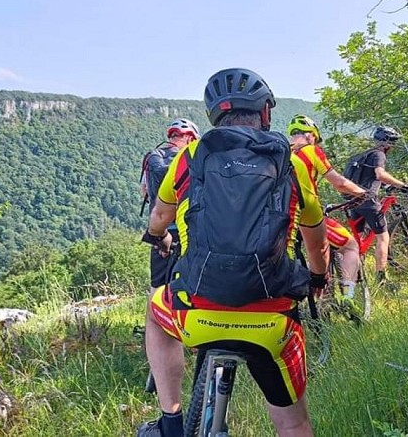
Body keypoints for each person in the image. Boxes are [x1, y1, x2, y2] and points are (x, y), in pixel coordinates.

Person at [138, 68, 329, 437]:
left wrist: (156, 237)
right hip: (272, 320)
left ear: (214, 117)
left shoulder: (190, 156)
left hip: (196, 312)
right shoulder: (292, 165)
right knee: (293, 422)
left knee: (155, 309)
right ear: (266, 114)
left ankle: (171, 421)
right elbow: (316, 240)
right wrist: (319, 277)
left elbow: (160, 216)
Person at [287, 114, 366, 305]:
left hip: (283, 220)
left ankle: (317, 305)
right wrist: (363, 193)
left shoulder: (282, 152)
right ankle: (347, 297)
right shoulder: (311, 150)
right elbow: (339, 183)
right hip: (306, 217)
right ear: (311, 135)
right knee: (351, 246)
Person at [344, 126, 408, 287]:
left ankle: (353, 276)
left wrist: (383, 186)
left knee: (357, 239)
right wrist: (401, 185)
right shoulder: (379, 155)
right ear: (389, 143)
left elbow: (368, 178)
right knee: (383, 236)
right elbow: (379, 174)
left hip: (353, 200)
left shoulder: (363, 155)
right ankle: (381, 277)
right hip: (367, 200)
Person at [140, 118, 201, 291]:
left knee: (157, 289)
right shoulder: (190, 158)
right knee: (189, 286)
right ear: (190, 138)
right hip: (188, 229)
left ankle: (155, 318)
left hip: (160, 230)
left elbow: (144, 191)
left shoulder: (153, 157)